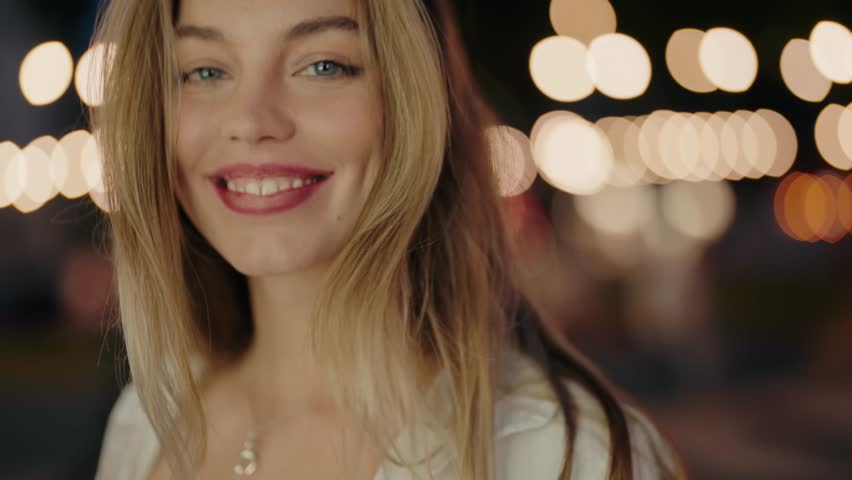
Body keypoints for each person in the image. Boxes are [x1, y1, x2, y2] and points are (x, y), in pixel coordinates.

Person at [92, 0, 684, 479]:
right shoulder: (148, 423)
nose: (250, 121)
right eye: (204, 71)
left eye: (323, 66)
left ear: (414, 95)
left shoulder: (567, 458)